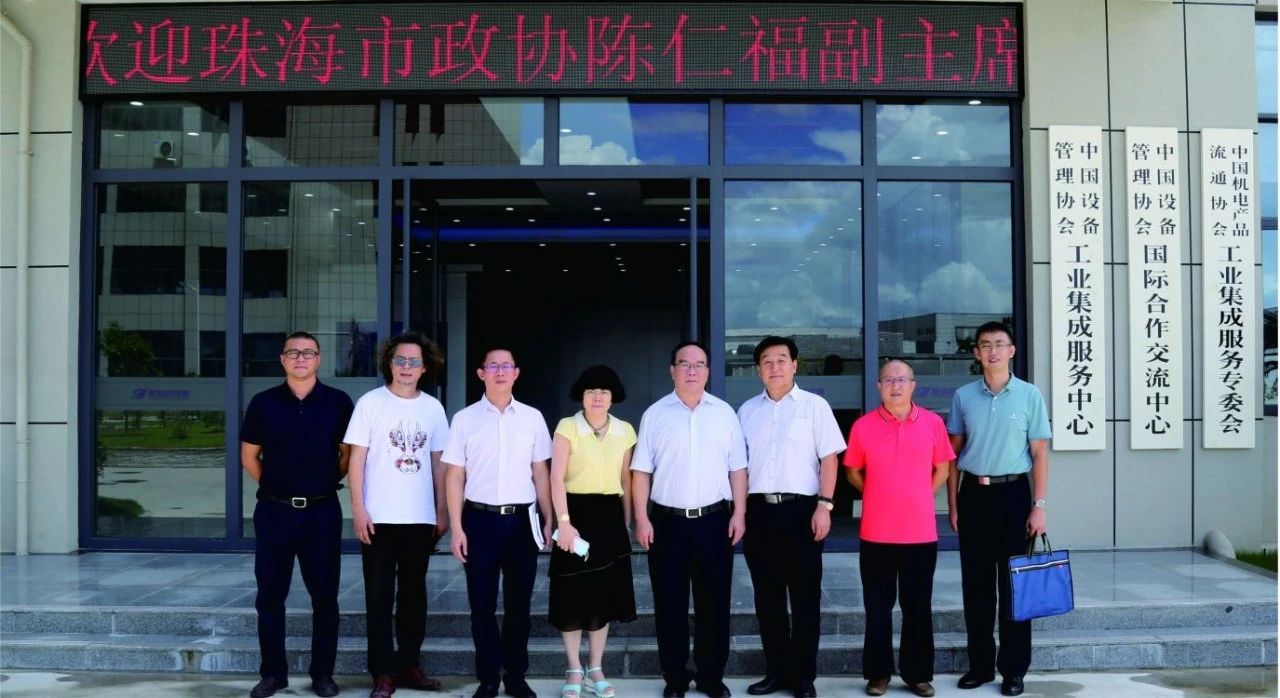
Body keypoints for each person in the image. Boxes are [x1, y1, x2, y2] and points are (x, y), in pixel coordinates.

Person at [631, 341, 748, 698]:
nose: (692, 370)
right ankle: (676, 678)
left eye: (699, 364)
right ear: (673, 371)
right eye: (684, 364)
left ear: (708, 371)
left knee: (715, 603)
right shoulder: (655, 414)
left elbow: (737, 469)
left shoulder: (724, 414)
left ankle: (711, 676)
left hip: (715, 521)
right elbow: (641, 471)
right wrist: (641, 518)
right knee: (670, 604)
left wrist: (739, 513)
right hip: (667, 524)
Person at [241, 331, 354, 698]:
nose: (301, 358)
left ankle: (323, 674)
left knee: (325, 597)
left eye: (308, 352)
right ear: (282, 359)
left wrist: (322, 483)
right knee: (270, 597)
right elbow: (249, 456)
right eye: (293, 352)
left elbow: (346, 455)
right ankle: (274, 674)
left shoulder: (338, 402)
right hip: (274, 512)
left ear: (319, 359)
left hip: (322, 512)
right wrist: (277, 487)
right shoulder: (263, 403)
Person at [946, 321, 1051, 697]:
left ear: (1011, 351)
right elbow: (952, 456)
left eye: (999, 344)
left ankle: (1014, 670)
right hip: (974, 497)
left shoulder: (1029, 395)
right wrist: (953, 505)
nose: (992, 350)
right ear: (976, 353)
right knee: (976, 587)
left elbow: (1040, 454)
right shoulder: (963, 396)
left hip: (1013, 496)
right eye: (985, 345)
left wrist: (1039, 506)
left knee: (1014, 587)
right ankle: (979, 666)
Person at [736, 336, 845, 698]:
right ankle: (777, 672)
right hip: (760, 512)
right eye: (767, 361)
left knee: (804, 598)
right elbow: (738, 467)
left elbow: (830, 458)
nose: (775, 367)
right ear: (758, 370)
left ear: (795, 365)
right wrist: (740, 513)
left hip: (803, 512)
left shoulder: (814, 406)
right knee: (767, 598)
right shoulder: (746, 411)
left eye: (782, 360)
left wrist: (825, 505)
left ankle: (803, 677)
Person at [344, 331, 451, 698]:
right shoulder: (371, 403)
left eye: (413, 361)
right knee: (378, 597)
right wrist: (358, 508)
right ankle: (382, 672)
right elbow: (356, 460)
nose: (406, 367)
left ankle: (409, 665)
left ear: (425, 368)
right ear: (389, 364)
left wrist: (441, 510)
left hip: (419, 518)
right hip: (378, 518)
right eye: (400, 360)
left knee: (413, 596)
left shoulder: (433, 408)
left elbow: (439, 463)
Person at [444, 348, 554, 698]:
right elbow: (454, 475)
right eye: (493, 366)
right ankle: (489, 677)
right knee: (482, 605)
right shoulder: (464, 419)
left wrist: (549, 518)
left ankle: (516, 676)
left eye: (507, 366)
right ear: (481, 373)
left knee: (520, 604)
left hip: (521, 521)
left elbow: (541, 472)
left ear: (516, 373)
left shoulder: (533, 418)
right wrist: (456, 527)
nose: (500, 371)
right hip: (479, 520)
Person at [843, 360, 955, 698]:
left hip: (920, 533)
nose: (895, 385)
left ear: (913, 385)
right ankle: (878, 674)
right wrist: (875, 492)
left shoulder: (932, 423)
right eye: (889, 380)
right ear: (878, 386)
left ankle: (917, 674)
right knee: (877, 608)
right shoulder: (863, 426)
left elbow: (943, 469)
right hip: (876, 533)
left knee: (917, 607)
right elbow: (852, 471)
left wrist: (920, 493)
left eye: (902, 380)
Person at [548, 365, 638, 698]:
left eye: (603, 391)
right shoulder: (567, 426)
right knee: (571, 596)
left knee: (603, 596)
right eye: (590, 391)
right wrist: (563, 521)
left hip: (609, 516)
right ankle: (574, 668)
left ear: (612, 397)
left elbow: (626, 479)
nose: (597, 397)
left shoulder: (626, 431)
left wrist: (627, 522)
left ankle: (596, 667)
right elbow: (556, 477)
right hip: (574, 514)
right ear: (582, 396)